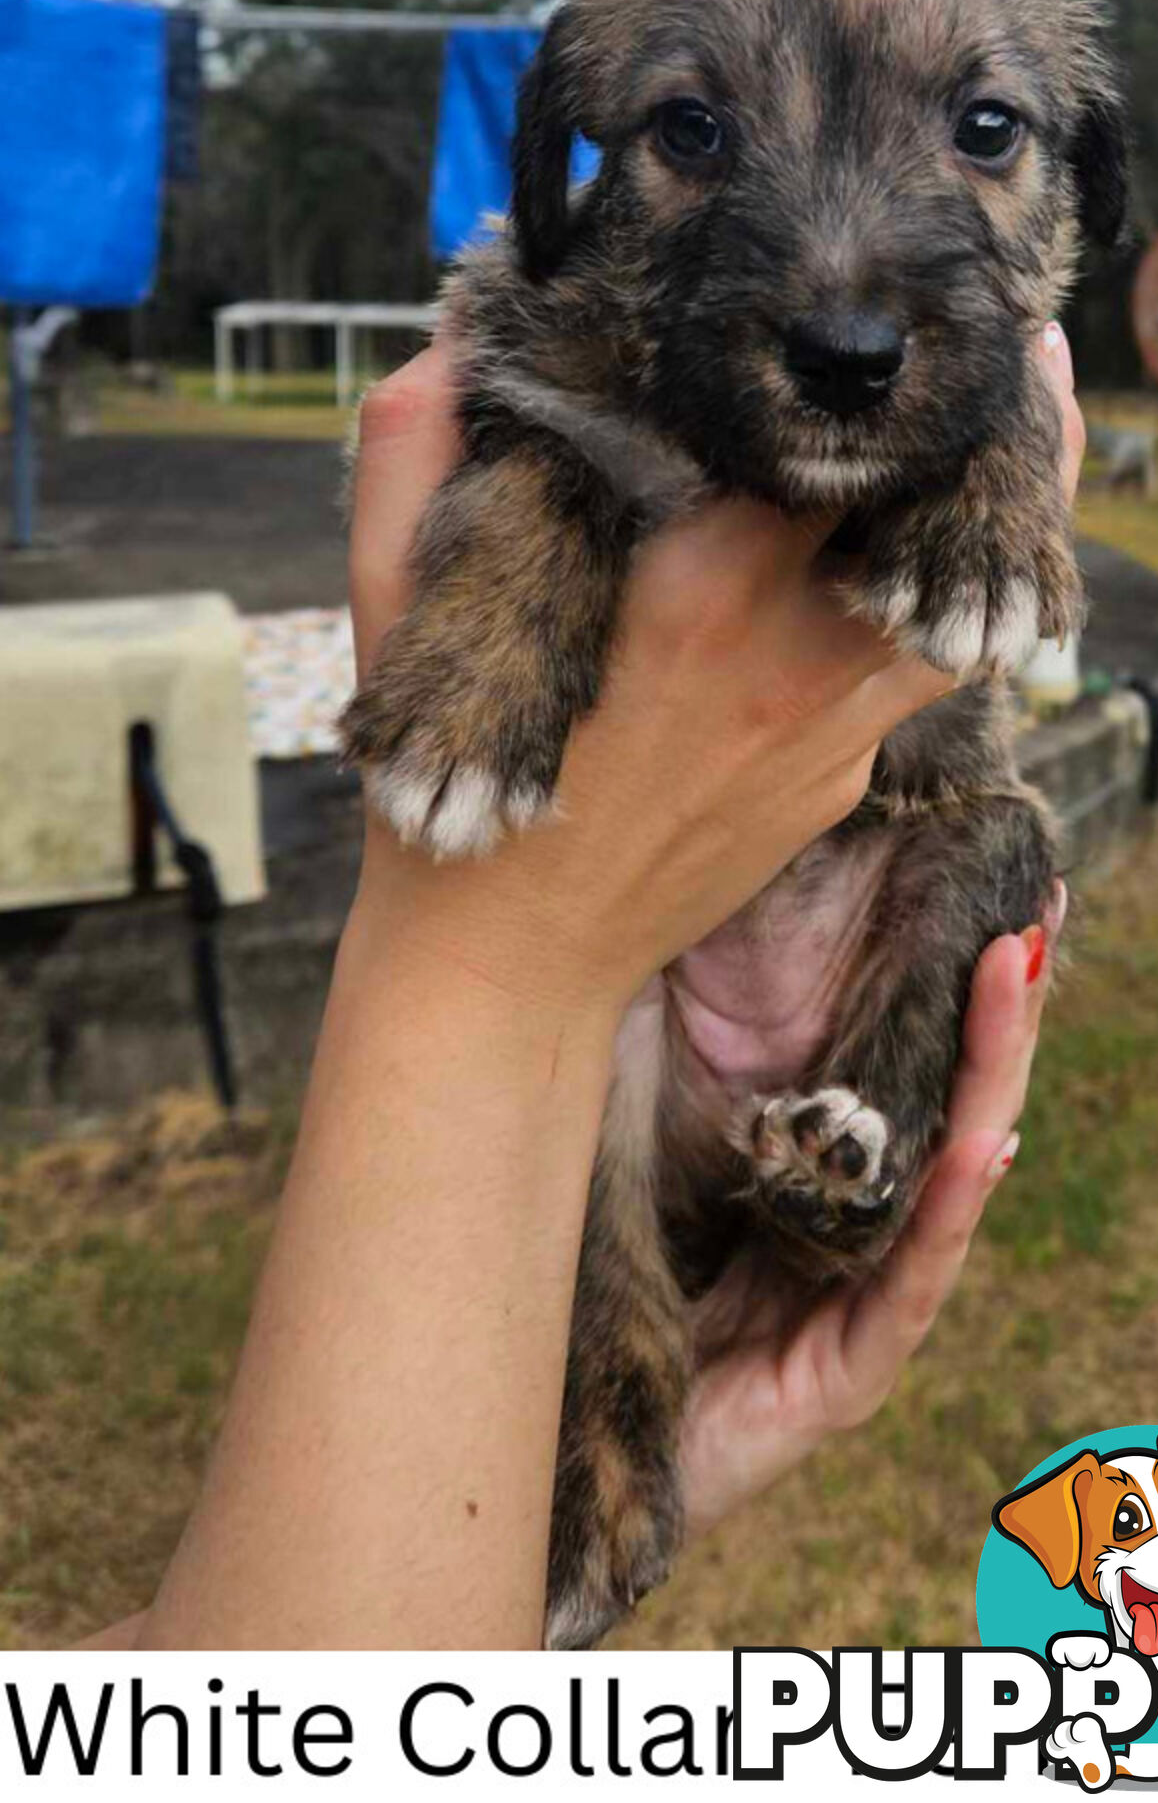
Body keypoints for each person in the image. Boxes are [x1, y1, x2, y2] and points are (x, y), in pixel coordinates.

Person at [82, 322, 1085, 1650]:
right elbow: (508, 399)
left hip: (863, 914)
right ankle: (601, 1462)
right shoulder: (587, 316)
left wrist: (999, 443)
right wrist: (497, 936)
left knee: (1003, 843)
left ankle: (853, 1163)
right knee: (609, 1045)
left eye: (986, 131)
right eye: (692, 128)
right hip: (632, 1027)